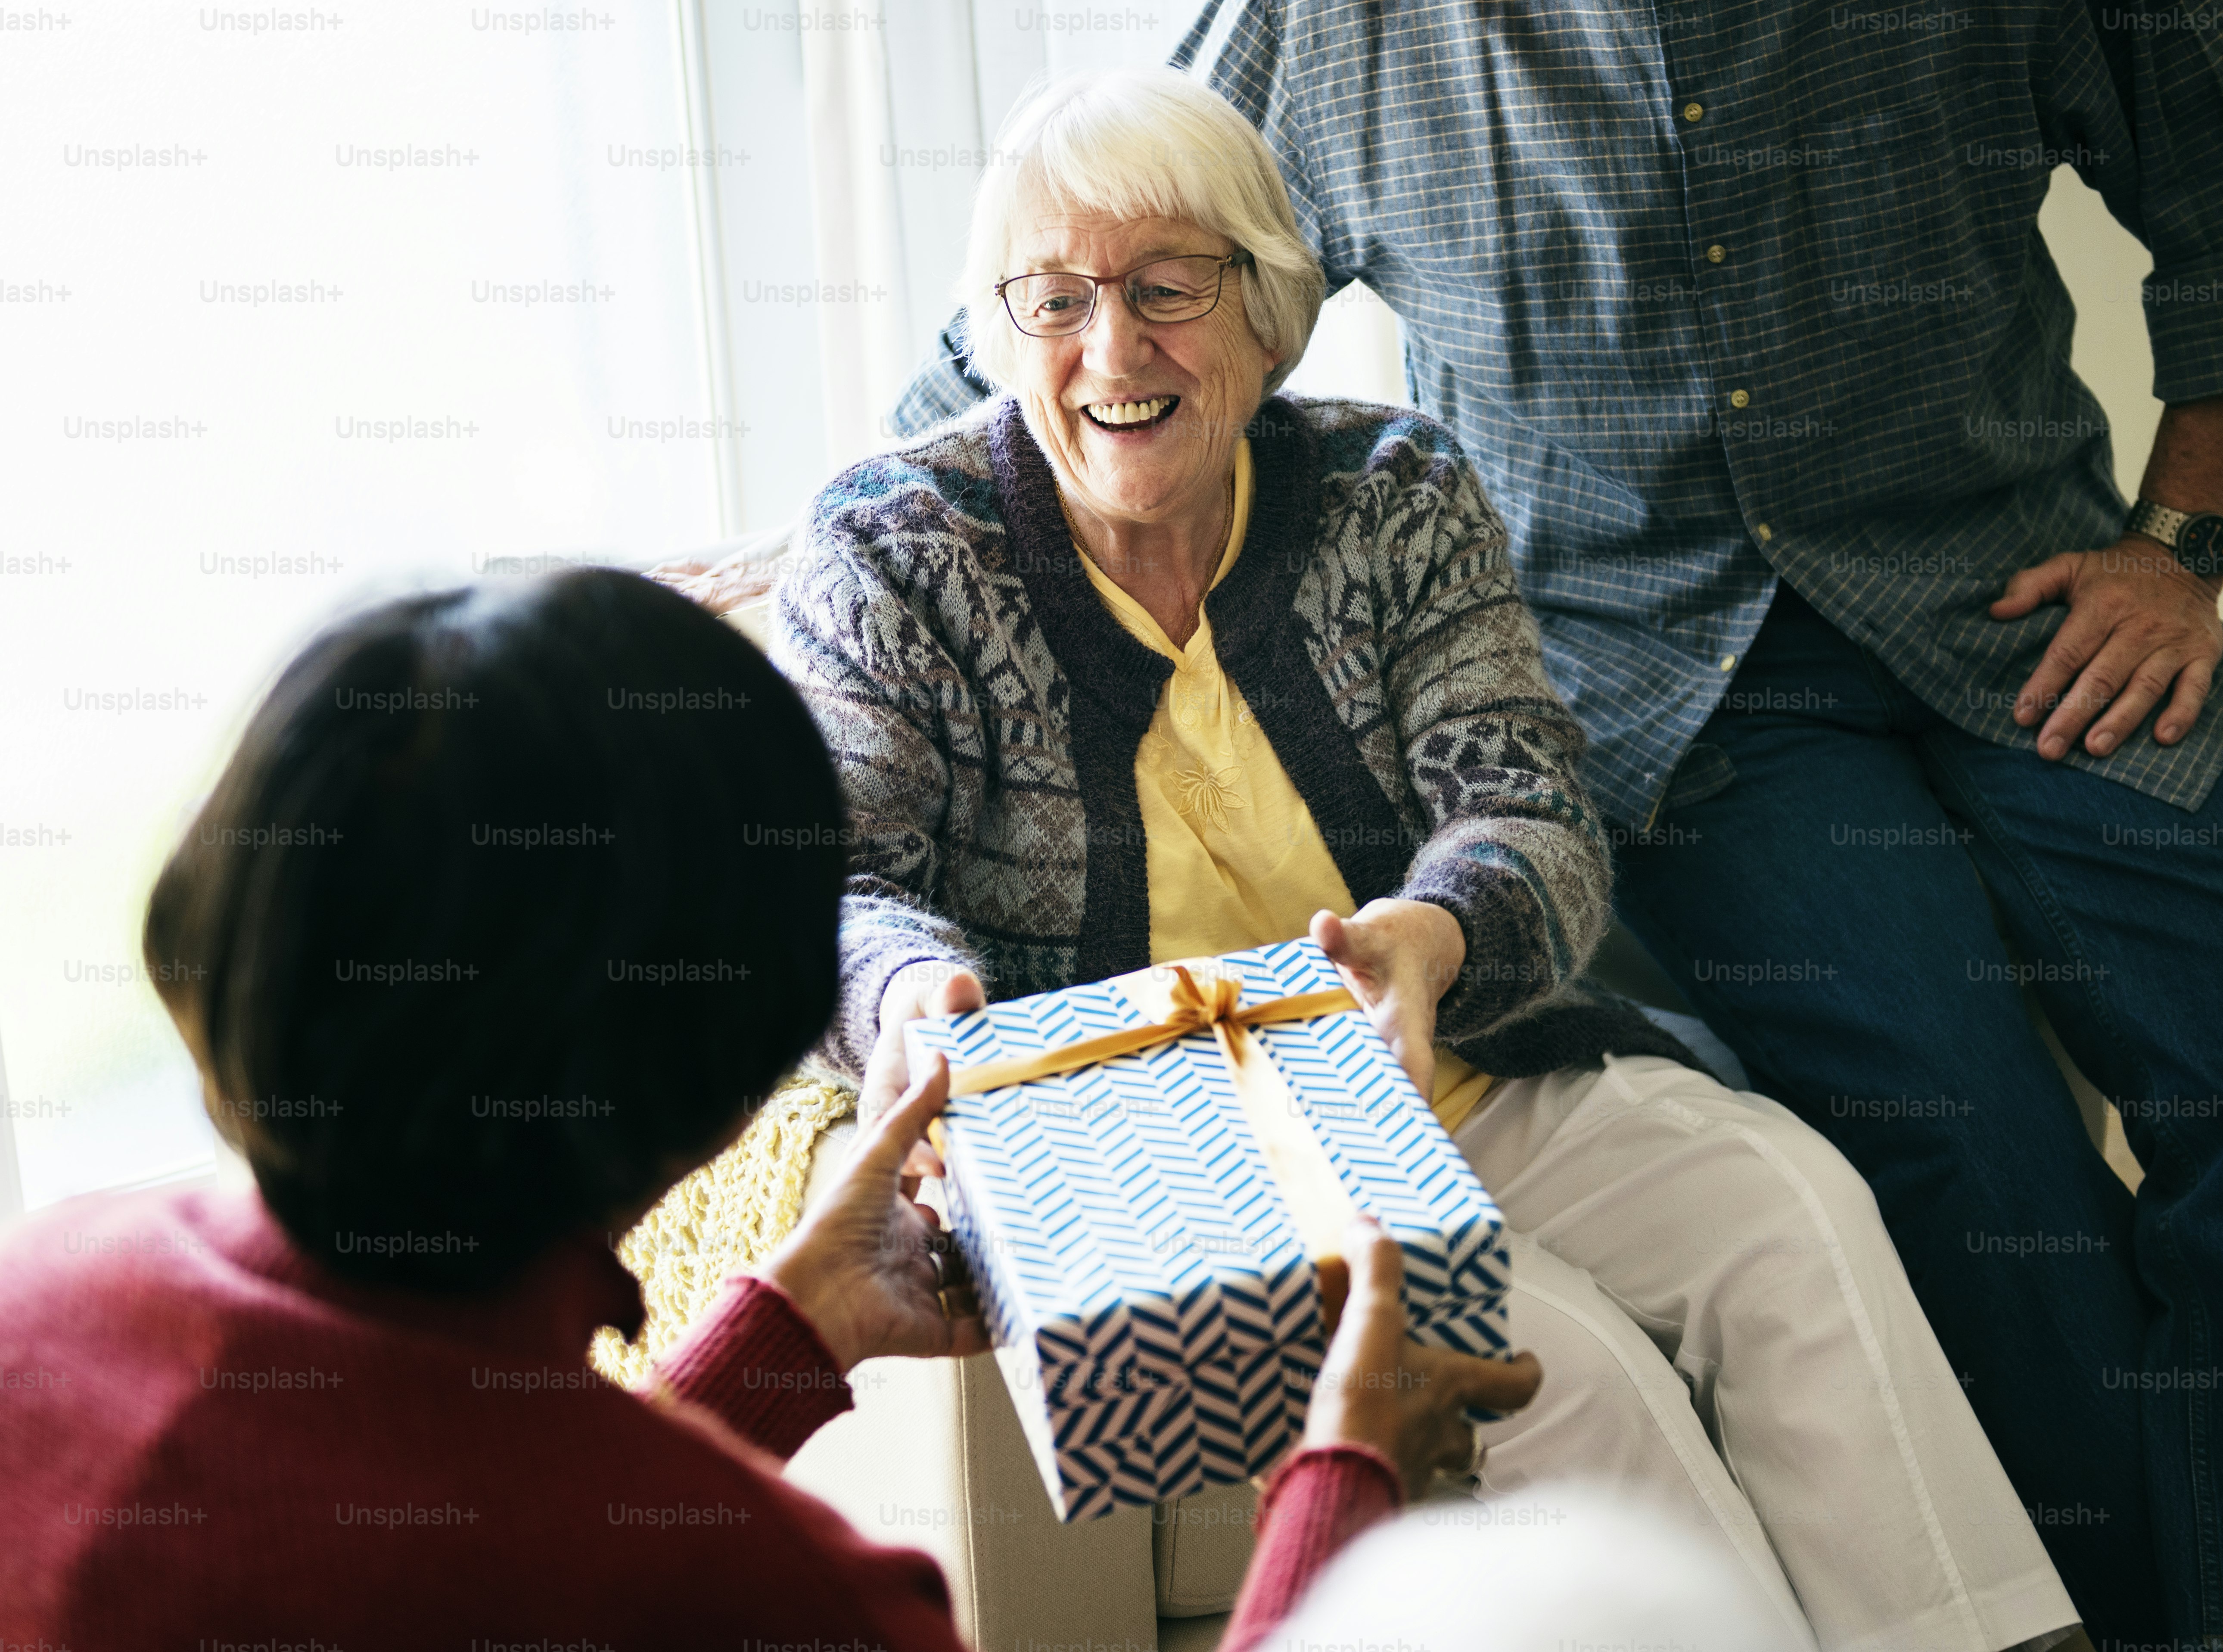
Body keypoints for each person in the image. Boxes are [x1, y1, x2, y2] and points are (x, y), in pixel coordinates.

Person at [887, 0, 2223, 1638]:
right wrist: (870, 558)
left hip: (2027, 594)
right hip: (1673, 681)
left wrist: (2180, 546)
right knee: (1959, 1136)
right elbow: (1084, 281)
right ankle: (2119, 1615)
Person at [786, 66, 2081, 1652]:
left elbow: (1528, 797)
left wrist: (1438, 934)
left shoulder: (1393, 488)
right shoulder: (897, 545)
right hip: (1170, 1166)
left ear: (1269, 313)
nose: (1112, 351)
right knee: (1569, 1367)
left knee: (1788, 1201)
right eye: (1053, 299)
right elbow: (836, 882)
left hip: (1449, 1062)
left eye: (1167, 290)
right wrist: (915, 994)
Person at [0, 569, 1528, 1648]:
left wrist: (789, 1338)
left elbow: (466, 1532)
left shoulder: (49, 1283)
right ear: (724, 1064)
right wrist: (1348, 1488)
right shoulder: (786, 1605)